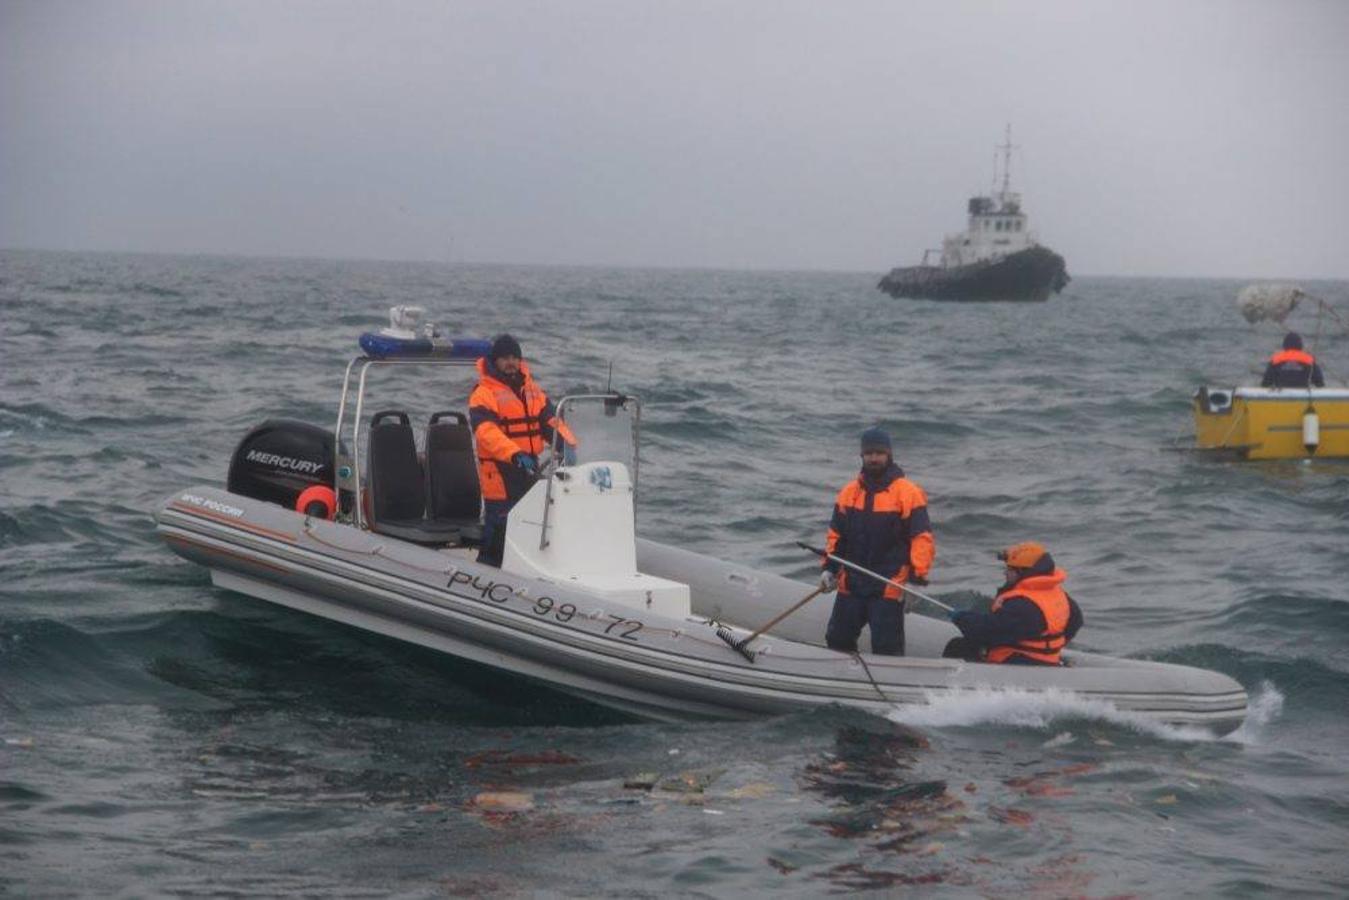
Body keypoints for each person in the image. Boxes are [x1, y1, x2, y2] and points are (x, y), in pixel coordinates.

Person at [819, 427, 935, 656]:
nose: (874, 458)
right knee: (837, 638)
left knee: (886, 647)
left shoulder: (908, 493)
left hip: (889, 584)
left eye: (879, 453)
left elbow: (922, 539)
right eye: (869, 453)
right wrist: (829, 568)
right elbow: (836, 535)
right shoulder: (848, 492)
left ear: (889, 455)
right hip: (851, 581)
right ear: (861, 456)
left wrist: (917, 580)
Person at [468, 333, 576, 565]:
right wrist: (514, 454)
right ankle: (486, 570)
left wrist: (568, 443)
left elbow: (550, 421)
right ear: (495, 361)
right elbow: (487, 432)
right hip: (499, 470)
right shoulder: (483, 393)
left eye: (515, 357)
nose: (511, 362)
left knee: (530, 522)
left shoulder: (533, 391)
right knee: (499, 527)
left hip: (529, 468)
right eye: (505, 358)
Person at [944, 542, 1083, 665]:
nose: (1005, 573)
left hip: (1019, 661)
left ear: (1023, 572)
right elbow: (1076, 622)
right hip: (1046, 658)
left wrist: (962, 618)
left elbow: (987, 632)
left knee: (958, 646)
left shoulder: (1022, 605)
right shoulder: (1061, 596)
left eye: (1010, 569)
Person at [1261, 332, 1325, 388]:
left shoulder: (1276, 359)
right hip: (1302, 397)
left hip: (1281, 397)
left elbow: (1265, 383)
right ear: (1300, 345)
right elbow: (1320, 383)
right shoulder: (1309, 359)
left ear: (1284, 345)